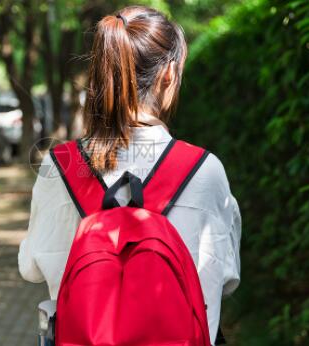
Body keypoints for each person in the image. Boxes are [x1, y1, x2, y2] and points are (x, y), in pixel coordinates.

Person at [18, 5, 241, 345]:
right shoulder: (204, 171)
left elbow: (31, 268)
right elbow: (226, 279)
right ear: (168, 74)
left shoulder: (59, 167)